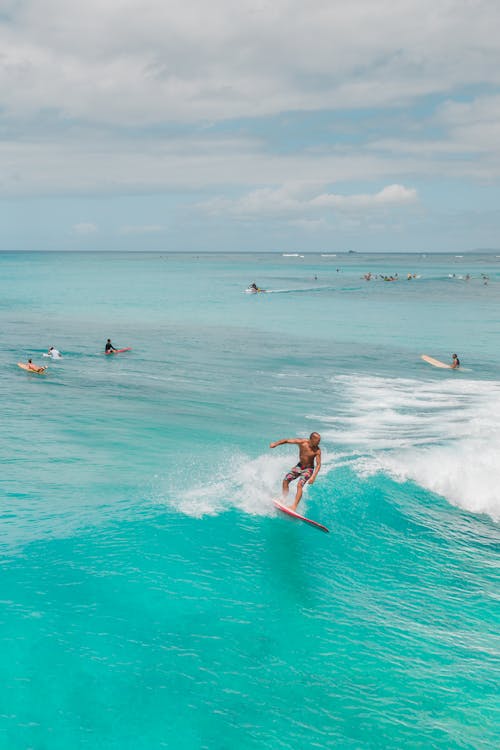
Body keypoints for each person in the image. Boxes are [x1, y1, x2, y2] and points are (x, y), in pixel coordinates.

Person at [269, 432, 321, 510]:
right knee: (286, 480)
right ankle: (283, 499)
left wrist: (313, 477)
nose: (318, 443)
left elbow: (318, 464)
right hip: (299, 466)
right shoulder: (302, 442)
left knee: (299, 485)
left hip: (308, 469)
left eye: (319, 441)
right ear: (311, 439)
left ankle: (294, 506)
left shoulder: (317, 450)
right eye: (317, 441)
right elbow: (286, 440)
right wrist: (275, 444)